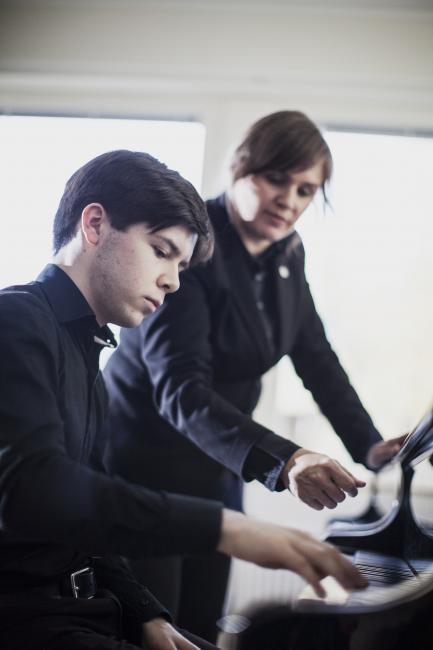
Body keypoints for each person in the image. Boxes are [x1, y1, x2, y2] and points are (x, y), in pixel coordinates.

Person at [0, 149, 368, 650]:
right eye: (161, 250)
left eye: (180, 262)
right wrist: (224, 527)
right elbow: (36, 491)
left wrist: (147, 615)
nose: (173, 281)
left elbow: (87, 529)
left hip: (85, 610)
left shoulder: (88, 355)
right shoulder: (16, 322)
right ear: (94, 224)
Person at [103, 113, 406, 642]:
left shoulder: (289, 252)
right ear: (240, 169)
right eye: (275, 178)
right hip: (144, 471)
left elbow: (315, 356)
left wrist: (370, 445)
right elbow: (183, 393)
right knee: (155, 632)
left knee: (202, 625)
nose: (289, 199)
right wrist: (288, 460)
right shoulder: (191, 246)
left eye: (305, 189)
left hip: (218, 471)